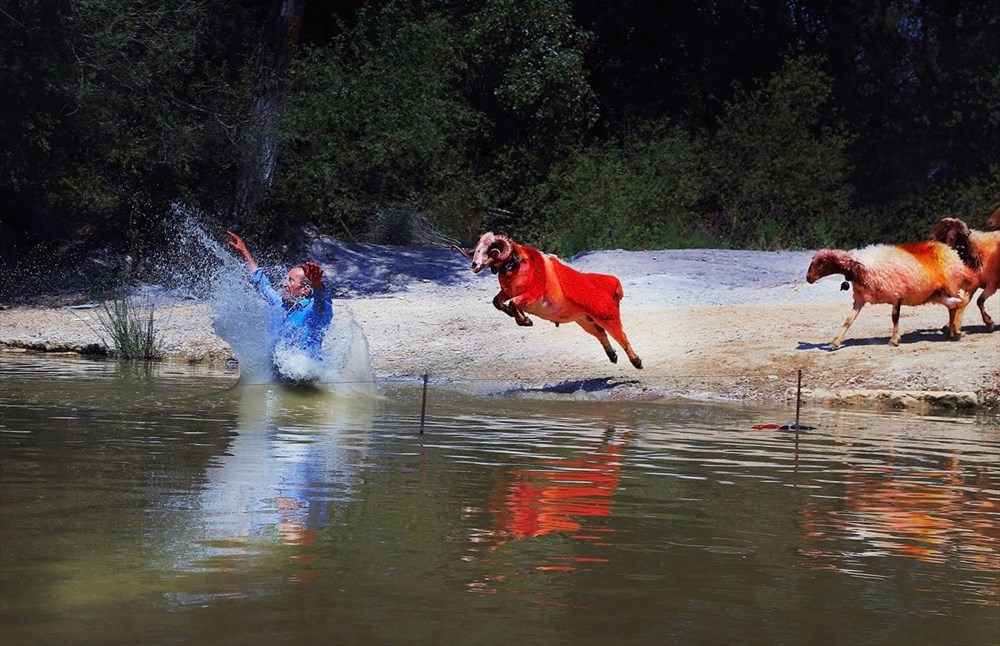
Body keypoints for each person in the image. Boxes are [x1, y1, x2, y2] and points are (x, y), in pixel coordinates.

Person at [227, 231, 333, 365]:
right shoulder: (280, 305)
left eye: (291, 281)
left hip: (306, 372)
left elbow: (322, 302)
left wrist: (317, 284)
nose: (285, 284)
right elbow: (263, 284)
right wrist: (244, 252)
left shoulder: (313, 311)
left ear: (305, 289)